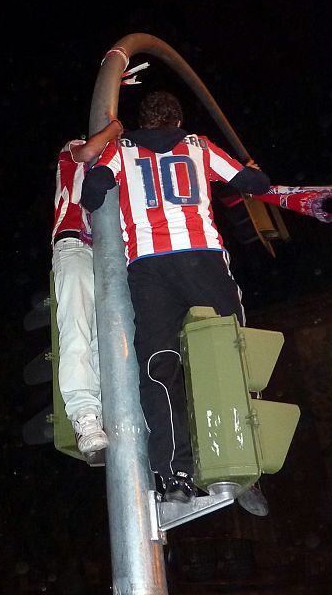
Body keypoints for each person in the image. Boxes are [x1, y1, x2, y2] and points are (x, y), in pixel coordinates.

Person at [80, 90, 271, 502]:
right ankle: (244, 463)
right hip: (201, 257)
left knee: (158, 365)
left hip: (149, 267)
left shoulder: (120, 149)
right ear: (178, 121)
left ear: (144, 121)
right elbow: (255, 183)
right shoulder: (199, 146)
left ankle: (174, 474)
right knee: (233, 352)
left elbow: (93, 191)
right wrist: (253, 171)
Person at [52, 117, 124, 455]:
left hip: (107, 252)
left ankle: (108, 412)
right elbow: (89, 150)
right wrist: (114, 126)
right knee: (77, 329)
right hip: (74, 245)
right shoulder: (72, 150)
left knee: (106, 335)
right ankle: (84, 415)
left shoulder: (118, 159)